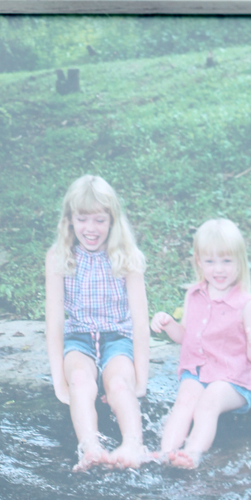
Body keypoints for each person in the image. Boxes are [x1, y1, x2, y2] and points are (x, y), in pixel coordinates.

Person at [45, 175, 150, 470]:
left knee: (118, 383)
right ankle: (90, 447)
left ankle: (132, 445)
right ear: (69, 220)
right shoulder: (58, 256)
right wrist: (58, 382)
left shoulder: (127, 257)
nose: (90, 229)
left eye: (99, 220)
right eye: (82, 219)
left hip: (118, 337)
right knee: (80, 381)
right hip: (78, 338)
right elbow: (54, 323)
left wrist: (140, 378)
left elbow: (141, 323)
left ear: (113, 221)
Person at [150, 218, 251, 468]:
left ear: (239, 262)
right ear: (199, 262)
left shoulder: (246, 304)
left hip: (235, 380)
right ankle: (165, 452)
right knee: (185, 399)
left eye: (226, 261)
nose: (219, 269)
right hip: (200, 371)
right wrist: (169, 324)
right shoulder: (194, 295)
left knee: (208, 401)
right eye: (210, 261)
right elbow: (187, 339)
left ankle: (192, 453)